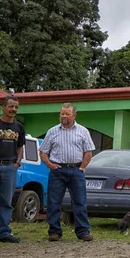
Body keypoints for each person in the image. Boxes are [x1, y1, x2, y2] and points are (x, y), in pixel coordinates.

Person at [39, 103, 94, 242]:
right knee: (53, 202)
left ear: (74, 115)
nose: (63, 116)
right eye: (62, 113)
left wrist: (82, 167)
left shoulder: (83, 131)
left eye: (67, 113)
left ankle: (83, 232)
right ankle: (54, 232)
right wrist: (50, 165)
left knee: (80, 202)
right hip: (58, 171)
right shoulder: (52, 131)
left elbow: (88, 152)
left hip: (76, 170)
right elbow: (43, 151)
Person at [0, 95, 25, 243]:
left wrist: (17, 163)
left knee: (6, 201)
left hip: (10, 167)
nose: (13, 110)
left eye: (16, 107)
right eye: (11, 106)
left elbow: (20, 147)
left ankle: (3, 233)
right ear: (3, 108)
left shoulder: (19, 127)